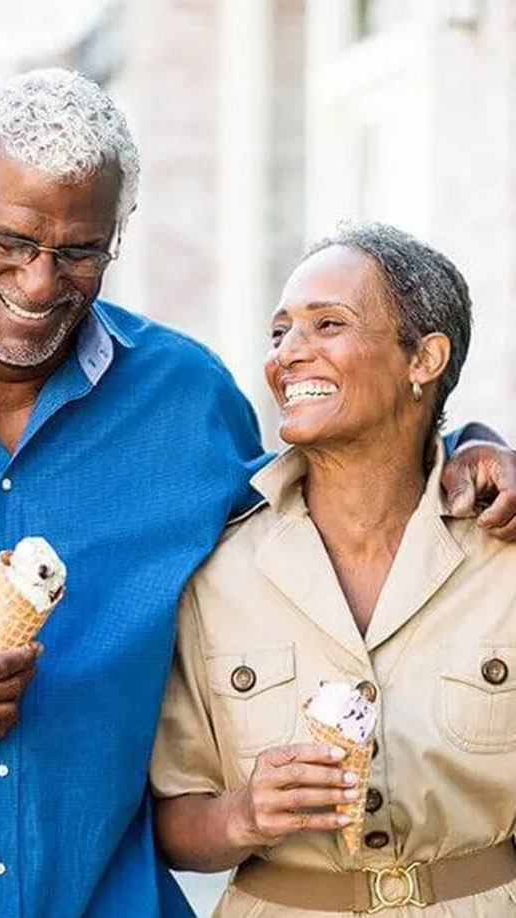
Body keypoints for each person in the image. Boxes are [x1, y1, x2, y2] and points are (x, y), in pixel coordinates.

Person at [0, 71, 512, 918]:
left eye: (79, 251)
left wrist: (463, 446)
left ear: (116, 235)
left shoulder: (182, 398)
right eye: (13, 241)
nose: (38, 283)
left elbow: (330, 490)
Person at [151, 223, 516, 916]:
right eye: (279, 331)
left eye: (327, 324)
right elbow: (170, 816)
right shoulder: (216, 567)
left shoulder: (502, 554)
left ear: (423, 358)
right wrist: (244, 816)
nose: (289, 353)